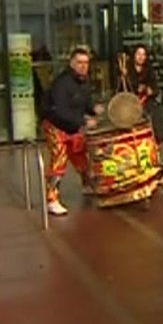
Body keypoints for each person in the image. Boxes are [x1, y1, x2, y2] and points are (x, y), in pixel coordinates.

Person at [40, 47, 103, 216]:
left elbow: (86, 103)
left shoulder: (84, 81)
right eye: (80, 63)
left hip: (73, 126)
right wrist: (84, 121)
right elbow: (60, 111)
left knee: (81, 156)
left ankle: (87, 184)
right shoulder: (62, 83)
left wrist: (95, 109)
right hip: (55, 125)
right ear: (72, 63)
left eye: (86, 63)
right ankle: (52, 199)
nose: (83, 66)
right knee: (59, 159)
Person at [118, 44, 163, 142]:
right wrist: (124, 77)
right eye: (138, 54)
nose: (141, 57)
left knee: (155, 112)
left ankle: (156, 141)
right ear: (134, 55)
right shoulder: (127, 69)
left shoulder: (149, 69)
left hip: (146, 100)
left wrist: (150, 90)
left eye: (143, 54)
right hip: (131, 101)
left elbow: (155, 88)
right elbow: (123, 89)